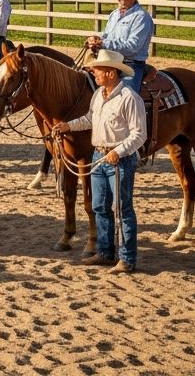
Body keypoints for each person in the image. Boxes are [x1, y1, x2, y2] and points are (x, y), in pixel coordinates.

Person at [53, 50, 146, 273]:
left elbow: (139, 134)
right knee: (99, 206)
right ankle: (105, 252)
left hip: (118, 160)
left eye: (98, 69)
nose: (93, 72)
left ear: (111, 72)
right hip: (98, 157)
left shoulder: (129, 98)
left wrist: (120, 151)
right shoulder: (98, 95)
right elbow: (89, 119)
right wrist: (68, 126)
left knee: (122, 209)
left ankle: (127, 258)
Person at [86, 0, 155, 91]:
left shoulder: (141, 17)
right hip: (110, 61)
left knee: (127, 94)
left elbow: (133, 47)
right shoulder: (114, 14)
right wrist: (96, 39)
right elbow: (107, 35)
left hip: (131, 64)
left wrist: (104, 44)